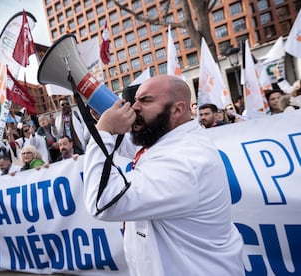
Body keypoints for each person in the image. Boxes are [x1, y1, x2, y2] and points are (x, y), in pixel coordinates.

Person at [83, 75, 244, 275]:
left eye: (146, 100)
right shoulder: (169, 140)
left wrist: (104, 132)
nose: (134, 107)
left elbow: (103, 201)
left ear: (177, 109)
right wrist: (112, 126)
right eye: (136, 100)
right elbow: (131, 146)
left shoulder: (185, 160)